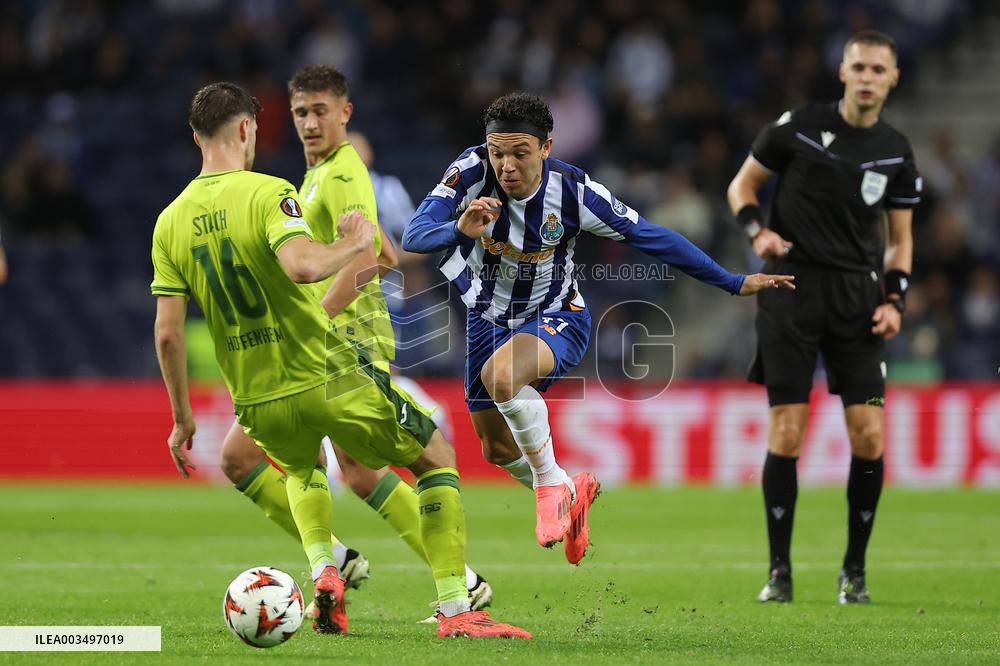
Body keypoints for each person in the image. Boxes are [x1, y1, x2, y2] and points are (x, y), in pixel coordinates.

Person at [151, 81, 530, 639]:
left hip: (258, 394)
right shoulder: (268, 192)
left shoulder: (168, 221)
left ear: (193, 136)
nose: (304, 122)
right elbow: (306, 266)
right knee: (435, 456)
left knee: (303, 470)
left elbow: (167, 335)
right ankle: (459, 601)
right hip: (323, 368)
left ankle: (326, 569)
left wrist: (182, 418)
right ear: (245, 130)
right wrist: (354, 244)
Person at [403, 92, 794, 565]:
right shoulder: (468, 173)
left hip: (555, 315)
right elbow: (414, 235)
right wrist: (459, 229)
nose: (506, 165)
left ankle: (549, 488)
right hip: (486, 318)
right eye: (497, 152)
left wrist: (732, 282)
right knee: (497, 448)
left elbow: (651, 236)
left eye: (519, 153)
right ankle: (570, 490)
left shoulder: (574, 192)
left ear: (546, 148)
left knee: (502, 377)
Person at [217, 65, 491, 614]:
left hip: (341, 344)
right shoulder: (316, 176)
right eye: (300, 113)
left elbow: (364, 261)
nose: (310, 123)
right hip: (339, 343)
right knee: (359, 474)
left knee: (246, 457)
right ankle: (447, 578)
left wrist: (311, 319)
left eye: (321, 111)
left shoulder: (340, 173)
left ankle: (348, 564)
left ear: (345, 113)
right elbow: (382, 253)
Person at [726, 30, 918, 604]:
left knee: (870, 434)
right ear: (842, 72)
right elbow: (742, 187)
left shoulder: (897, 151)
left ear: (892, 78)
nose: (866, 77)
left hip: (858, 300)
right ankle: (779, 572)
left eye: (877, 69)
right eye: (857, 66)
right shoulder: (797, 127)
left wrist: (895, 301)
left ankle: (853, 572)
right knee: (788, 430)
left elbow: (900, 243)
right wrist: (757, 231)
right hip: (790, 288)